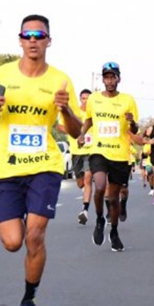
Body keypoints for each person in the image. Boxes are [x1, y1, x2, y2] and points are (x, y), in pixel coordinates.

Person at [0, 14, 81, 306]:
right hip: (6, 167)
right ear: (20, 40)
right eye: (28, 35)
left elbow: (73, 131)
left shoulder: (60, 81)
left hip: (44, 165)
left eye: (40, 35)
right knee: (13, 242)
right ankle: (14, 213)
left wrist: (66, 109)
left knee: (35, 234)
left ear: (48, 40)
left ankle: (29, 299)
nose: (33, 40)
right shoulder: (2, 74)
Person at [80, 62, 139, 250]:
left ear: (119, 79)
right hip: (99, 150)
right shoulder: (94, 99)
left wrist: (132, 123)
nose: (110, 80)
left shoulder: (128, 100)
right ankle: (98, 219)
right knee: (99, 186)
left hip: (120, 155)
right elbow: (88, 120)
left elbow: (135, 129)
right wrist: (82, 134)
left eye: (113, 77)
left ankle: (113, 232)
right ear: (103, 79)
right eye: (107, 77)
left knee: (113, 199)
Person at [61, 89, 93, 224]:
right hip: (76, 151)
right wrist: (73, 130)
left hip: (91, 150)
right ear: (80, 99)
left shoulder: (95, 113)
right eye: (84, 98)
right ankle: (85, 194)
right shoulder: (74, 112)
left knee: (87, 179)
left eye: (88, 98)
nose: (86, 101)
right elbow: (59, 126)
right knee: (80, 183)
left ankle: (84, 210)